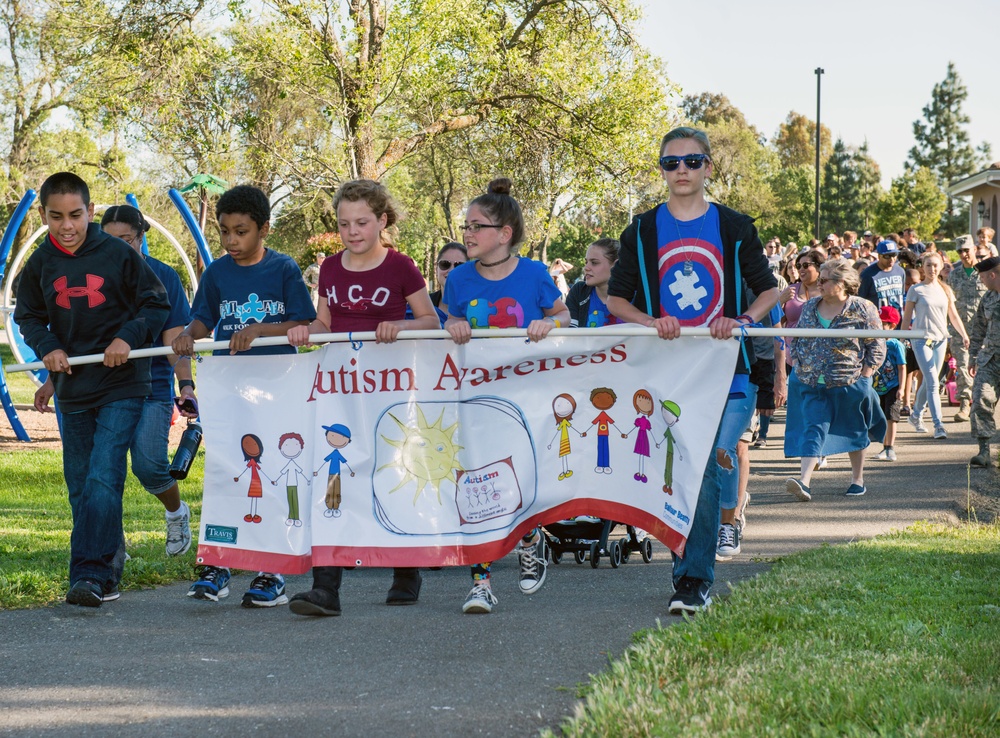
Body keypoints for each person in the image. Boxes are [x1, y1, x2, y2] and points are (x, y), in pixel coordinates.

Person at [606, 126, 778, 614]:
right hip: (667, 372)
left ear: (707, 167)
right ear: (661, 170)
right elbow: (616, 297)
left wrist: (742, 319)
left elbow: (769, 291)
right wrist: (649, 320)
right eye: (671, 163)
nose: (681, 170)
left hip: (728, 370)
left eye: (692, 161)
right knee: (683, 466)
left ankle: (693, 578)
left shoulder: (734, 226)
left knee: (710, 459)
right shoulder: (641, 230)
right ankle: (693, 567)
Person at [14, 172, 170, 607]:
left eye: (76, 215)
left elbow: (155, 301)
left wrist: (128, 338)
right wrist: (48, 347)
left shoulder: (117, 253)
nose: (67, 225)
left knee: (105, 472)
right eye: (56, 216)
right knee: (81, 483)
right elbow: (28, 316)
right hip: (73, 386)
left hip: (122, 382)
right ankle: (109, 568)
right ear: (43, 215)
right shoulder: (40, 263)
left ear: (91, 212)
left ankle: (88, 575)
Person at [285, 179, 439, 617]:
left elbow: (429, 320)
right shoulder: (330, 268)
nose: (352, 231)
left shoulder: (402, 266)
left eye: (362, 222)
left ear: (382, 221)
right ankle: (325, 588)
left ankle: (406, 569)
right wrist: (305, 332)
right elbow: (323, 323)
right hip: (340, 386)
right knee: (333, 473)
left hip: (390, 383)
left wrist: (399, 327)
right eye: (343, 224)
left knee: (393, 469)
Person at [172, 184, 317, 607]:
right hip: (229, 387)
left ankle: (270, 572)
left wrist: (258, 331)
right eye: (224, 231)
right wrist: (187, 335)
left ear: (264, 229)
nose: (231, 241)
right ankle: (217, 564)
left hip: (277, 389)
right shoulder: (217, 273)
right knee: (225, 470)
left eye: (241, 231)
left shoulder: (284, 268)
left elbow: (302, 320)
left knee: (268, 472)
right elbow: (203, 319)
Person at [33, 204, 197, 558]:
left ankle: (175, 511)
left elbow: (173, 338)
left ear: (141, 239)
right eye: (111, 241)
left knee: (148, 465)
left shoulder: (162, 276)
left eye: (127, 240)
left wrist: (186, 385)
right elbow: (74, 334)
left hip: (149, 385)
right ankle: (107, 559)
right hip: (94, 387)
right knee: (99, 475)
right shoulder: (87, 272)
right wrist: (51, 380)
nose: (119, 248)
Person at [442, 177, 570, 614]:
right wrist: (449, 326)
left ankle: (531, 538)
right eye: (466, 227)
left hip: (525, 399)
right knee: (474, 486)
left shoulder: (534, 274)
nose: (468, 235)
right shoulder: (458, 279)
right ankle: (481, 583)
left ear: (504, 234)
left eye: (477, 226)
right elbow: (442, 323)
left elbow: (564, 315)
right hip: (474, 398)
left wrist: (549, 324)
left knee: (523, 484)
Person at [784, 260, 886, 500]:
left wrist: (866, 375)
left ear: (841, 283)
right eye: (819, 279)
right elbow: (798, 337)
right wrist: (798, 363)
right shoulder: (810, 306)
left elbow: (877, 343)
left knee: (854, 429)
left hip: (849, 381)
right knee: (813, 427)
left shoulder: (863, 308)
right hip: (812, 379)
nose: (818, 283)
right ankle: (804, 482)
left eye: (824, 280)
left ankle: (857, 480)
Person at [901, 252, 969, 439]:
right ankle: (939, 425)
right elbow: (906, 318)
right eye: (928, 265)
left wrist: (963, 334)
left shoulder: (945, 290)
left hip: (941, 339)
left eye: (935, 265)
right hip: (921, 339)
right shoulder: (915, 289)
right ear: (923, 267)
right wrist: (901, 338)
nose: (932, 269)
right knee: (931, 381)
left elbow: (953, 315)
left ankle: (915, 415)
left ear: (941, 267)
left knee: (930, 381)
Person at [948, 236, 988, 422]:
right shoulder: (954, 275)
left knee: (984, 367)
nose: (964, 255)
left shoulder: (986, 271)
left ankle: (983, 404)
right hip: (960, 329)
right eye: (960, 252)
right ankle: (965, 404)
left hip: (984, 330)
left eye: (966, 250)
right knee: (963, 366)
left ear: (974, 249)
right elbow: (949, 303)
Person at [967, 255, 1000, 466]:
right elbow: (978, 328)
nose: (981, 281)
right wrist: (973, 356)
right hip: (991, 359)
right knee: (980, 399)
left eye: (982, 277)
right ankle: (984, 451)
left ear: (992, 274)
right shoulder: (988, 298)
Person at [872, 306, 907, 462]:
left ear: (892, 326)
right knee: (881, 417)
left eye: (883, 323)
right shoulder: (874, 342)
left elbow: (902, 367)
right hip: (877, 388)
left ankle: (890, 448)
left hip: (892, 386)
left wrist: (901, 388)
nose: (879, 326)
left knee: (891, 417)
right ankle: (884, 447)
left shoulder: (895, 345)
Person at [566, 238, 620, 327]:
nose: (586, 268)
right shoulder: (579, 292)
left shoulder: (639, 295)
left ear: (616, 265)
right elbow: (571, 335)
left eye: (594, 263)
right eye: (586, 262)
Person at [858, 240, 905, 313]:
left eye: (894, 254)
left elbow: (902, 295)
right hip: (876, 320)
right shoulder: (867, 274)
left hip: (897, 320)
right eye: (887, 256)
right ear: (879, 256)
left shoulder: (900, 272)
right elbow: (860, 300)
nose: (891, 259)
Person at [429, 241, 467, 324]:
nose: (451, 271)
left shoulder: (478, 306)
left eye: (459, 266)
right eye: (445, 264)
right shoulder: (424, 305)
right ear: (436, 269)